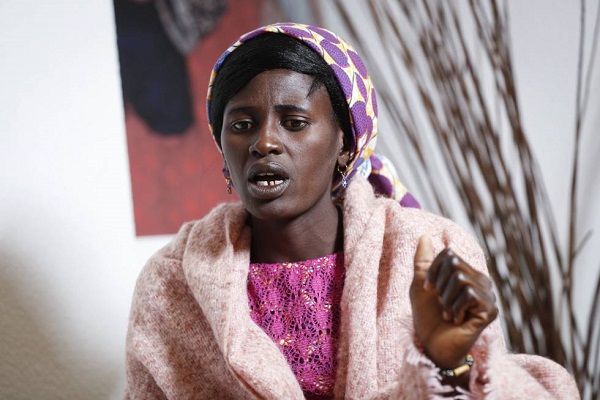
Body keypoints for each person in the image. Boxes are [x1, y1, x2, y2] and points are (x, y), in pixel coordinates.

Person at [124, 23, 579, 399]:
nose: (264, 142)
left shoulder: (430, 252)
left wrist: (448, 361)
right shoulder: (172, 281)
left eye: (295, 122)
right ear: (223, 147)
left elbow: (486, 387)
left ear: (346, 142)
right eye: (242, 125)